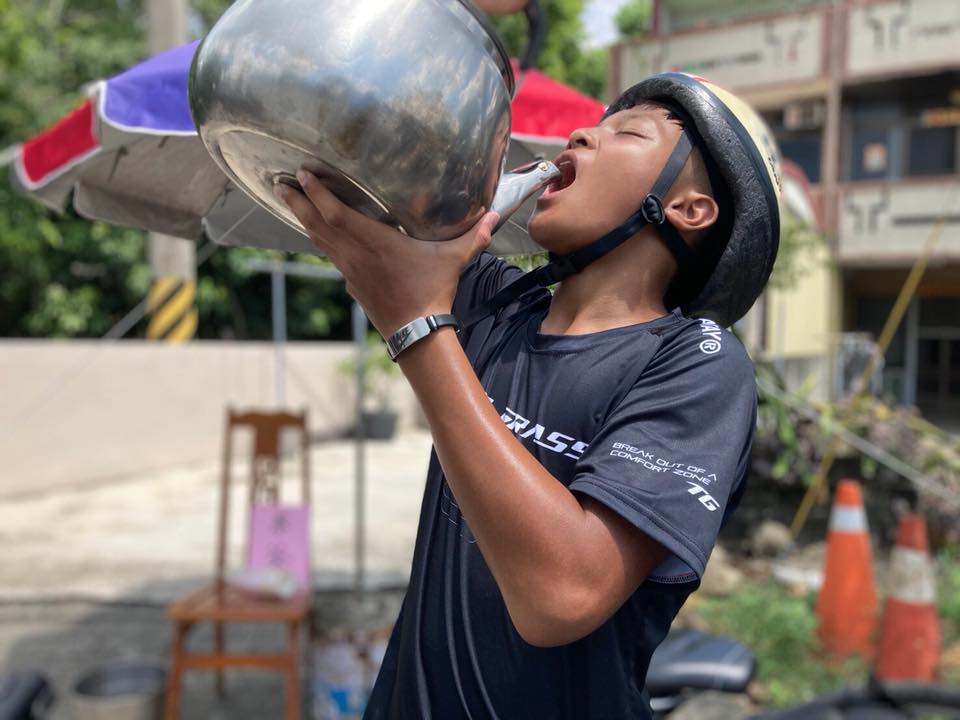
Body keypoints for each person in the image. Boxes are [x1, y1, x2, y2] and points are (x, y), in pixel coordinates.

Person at [275, 72, 781, 719]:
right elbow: (360, 169)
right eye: (591, 124)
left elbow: (563, 594)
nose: (581, 135)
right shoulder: (500, 304)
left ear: (688, 209)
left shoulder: (695, 364)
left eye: (626, 133)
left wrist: (420, 329)